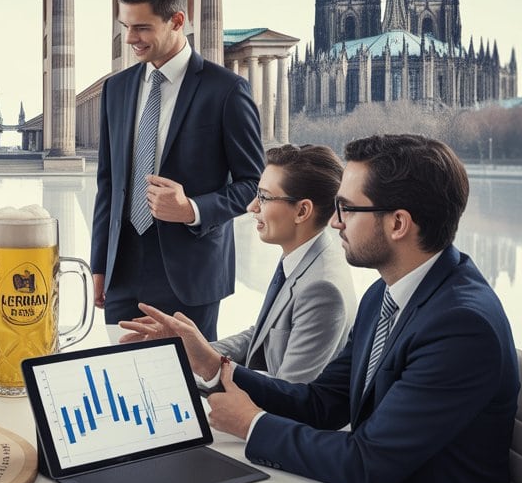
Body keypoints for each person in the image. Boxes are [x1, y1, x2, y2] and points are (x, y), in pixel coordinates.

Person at [207, 134, 519, 483]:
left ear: (398, 223)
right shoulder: (386, 292)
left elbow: (367, 463)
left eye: (346, 209)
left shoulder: (460, 327)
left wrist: (253, 425)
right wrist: (215, 366)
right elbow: (323, 403)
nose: (334, 222)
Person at [91, 0, 264, 340]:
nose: (130, 39)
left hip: (190, 274)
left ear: (177, 21)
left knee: (185, 388)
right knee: (121, 380)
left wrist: (192, 210)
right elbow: (108, 183)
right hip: (122, 270)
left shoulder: (227, 90)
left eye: (142, 28)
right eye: (126, 26)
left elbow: (253, 184)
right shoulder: (116, 89)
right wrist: (99, 263)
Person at [120, 143, 356, 386]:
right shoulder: (305, 254)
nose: (251, 207)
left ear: (302, 211)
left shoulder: (322, 289)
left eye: (263, 197)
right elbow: (263, 334)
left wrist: (207, 363)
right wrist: (189, 348)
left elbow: (290, 395)